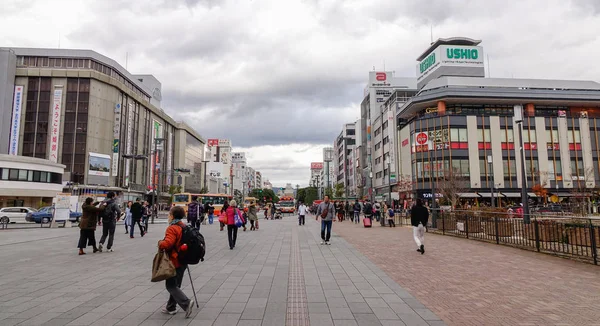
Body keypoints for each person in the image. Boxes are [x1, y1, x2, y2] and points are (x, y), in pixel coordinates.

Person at [158, 206, 195, 317]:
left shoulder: (172, 228)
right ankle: (171, 307)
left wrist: (160, 243)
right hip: (183, 259)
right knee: (176, 284)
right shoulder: (184, 226)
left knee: (171, 285)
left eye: (169, 214)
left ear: (173, 216)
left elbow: (168, 243)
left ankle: (186, 303)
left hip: (174, 260)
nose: (168, 216)